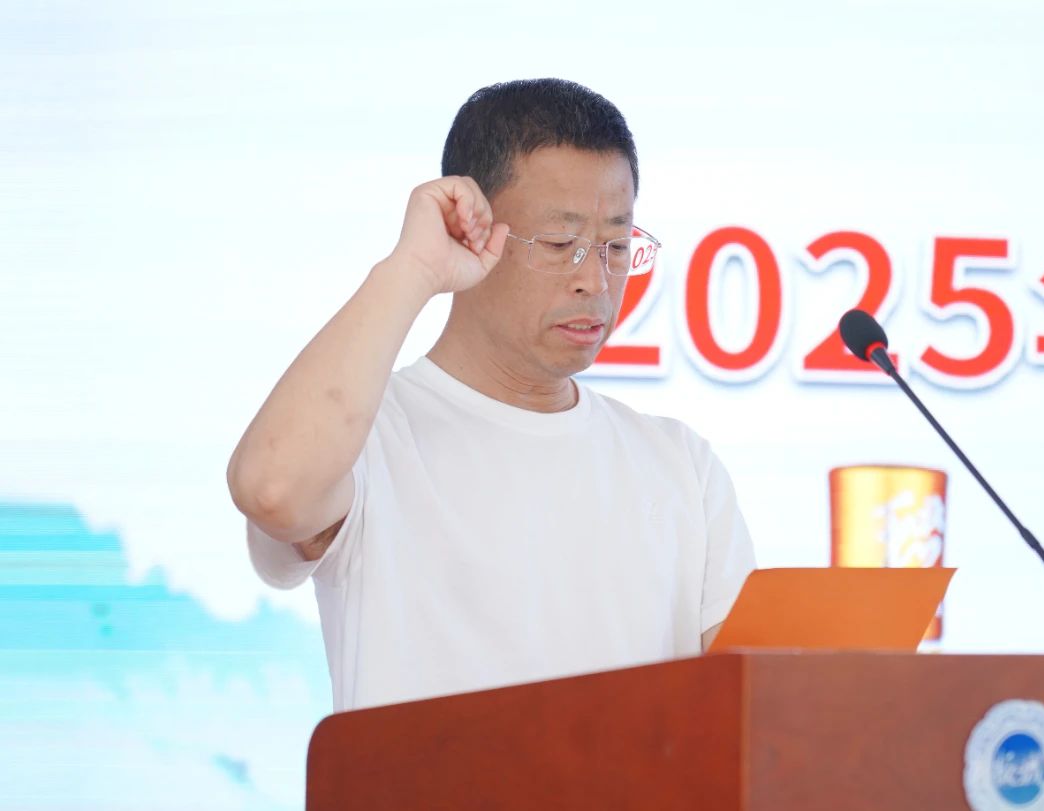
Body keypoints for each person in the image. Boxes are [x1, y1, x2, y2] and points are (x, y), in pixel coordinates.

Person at [226, 78, 756, 712]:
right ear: (472, 231)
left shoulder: (681, 465)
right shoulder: (369, 439)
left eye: (616, 246)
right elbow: (273, 490)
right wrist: (415, 267)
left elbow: (750, 708)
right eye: (559, 245)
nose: (595, 280)